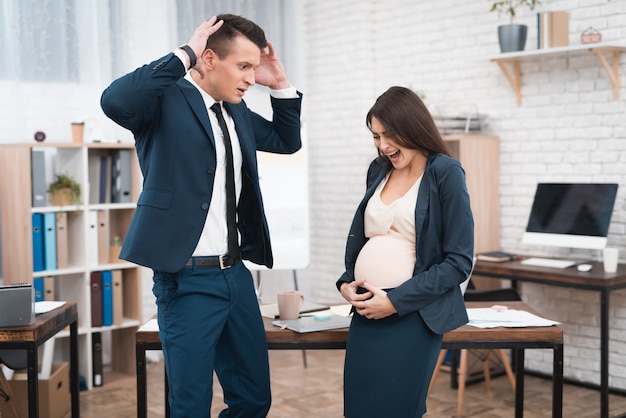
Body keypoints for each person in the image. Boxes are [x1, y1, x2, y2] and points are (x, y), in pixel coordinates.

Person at [101, 14, 302, 418]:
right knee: (190, 406)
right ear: (209, 58)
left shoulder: (237, 111)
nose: (250, 77)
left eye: (253, 67)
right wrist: (184, 53)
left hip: (236, 276)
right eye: (243, 66)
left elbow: (286, 141)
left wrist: (279, 84)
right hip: (187, 279)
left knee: (253, 399)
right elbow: (115, 101)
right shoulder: (163, 100)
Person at [336, 86, 474, 417]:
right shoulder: (378, 169)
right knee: (358, 410)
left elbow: (458, 262)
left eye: (390, 134)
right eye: (376, 136)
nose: (383, 145)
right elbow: (363, 238)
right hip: (368, 312)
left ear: (413, 127)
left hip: (413, 315)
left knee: (397, 409)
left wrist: (395, 301)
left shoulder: (445, 172)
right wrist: (345, 282)